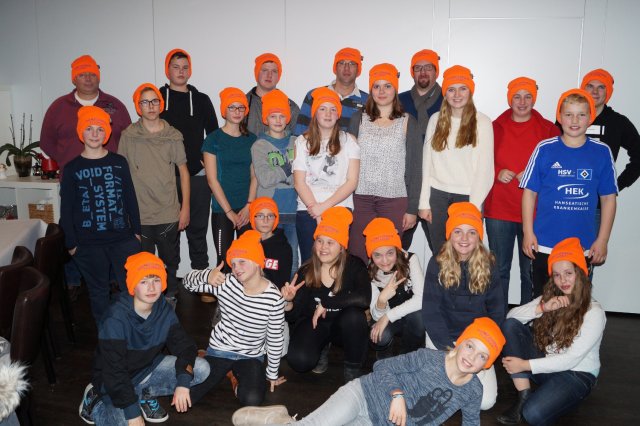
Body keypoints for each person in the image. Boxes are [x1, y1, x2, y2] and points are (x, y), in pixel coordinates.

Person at [231, 317, 506, 426]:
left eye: (482, 356)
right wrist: (397, 395)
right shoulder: (428, 358)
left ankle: (282, 420)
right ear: (459, 343)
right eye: (471, 346)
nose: (472, 357)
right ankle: (278, 420)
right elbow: (382, 366)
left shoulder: (473, 391)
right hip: (362, 395)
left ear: (487, 363)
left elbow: (471, 423)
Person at [78, 252, 210, 425]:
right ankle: (94, 401)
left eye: (156, 280)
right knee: (125, 422)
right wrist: (132, 412)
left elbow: (185, 346)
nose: (151, 288)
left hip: (146, 369)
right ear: (133, 286)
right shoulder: (115, 319)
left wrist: (183, 382)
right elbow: (115, 372)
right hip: (113, 381)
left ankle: (143, 394)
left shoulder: (163, 309)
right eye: (143, 281)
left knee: (201, 368)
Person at [40, 54, 131, 299]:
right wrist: (67, 161)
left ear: (99, 76)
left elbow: (128, 138)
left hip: (110, 182)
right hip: (75, 181)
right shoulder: (58, 107)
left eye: (92, 73)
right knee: (73, 226)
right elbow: (47, 142)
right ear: (74, 78)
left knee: (109, 225)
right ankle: (72, 280)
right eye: (82, 74)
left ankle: (112, 278)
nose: (88, 78)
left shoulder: (114, 105)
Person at [497, 237, 606, 426]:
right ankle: (524, 395)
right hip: (549, 363)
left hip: (577, 374)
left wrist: (524, 365)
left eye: (568, 273)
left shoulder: (594, 313)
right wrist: (542, 308)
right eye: (557, 275)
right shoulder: (552, 297)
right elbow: (511, 318)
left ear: (580, 273)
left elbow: (570, 359)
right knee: (511, 326)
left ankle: (561, 396)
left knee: (533, 414)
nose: (563, 280)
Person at [521, 89, 618, 297]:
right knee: (543, 301)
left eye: (581, 114)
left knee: (576, 304)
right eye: (569, 114)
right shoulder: (544, 149)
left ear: (590, 117)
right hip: (545, 244)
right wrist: (528, 232)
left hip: (582, 246)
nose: (575, 120)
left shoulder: (601, 152)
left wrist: (602, 240)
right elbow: (529, 193)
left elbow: (609, 198)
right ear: (559, 117)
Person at [181, 230, 286, 407]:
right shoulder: (226, 283)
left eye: (242, 261)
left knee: (252, 399)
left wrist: (272, 374)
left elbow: (275, 338)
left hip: (250, 356)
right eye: (233, 263)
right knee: (187, 396)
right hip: (220, 350)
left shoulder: (274, 297)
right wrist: (207, 275)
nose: (236, 268)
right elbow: (187, 283)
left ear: (257, 262)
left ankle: (232, 378)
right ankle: (206, 358)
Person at [60, 106, 141, 324]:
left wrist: (137, 232)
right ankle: (107, 334)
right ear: (81, 132)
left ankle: (131, 329)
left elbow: (130, 198)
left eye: (100, 129)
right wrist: (71, 244)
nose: (95, 134)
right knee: (98, 292)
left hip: (122, 239)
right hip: (88, 244)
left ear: (106, 133)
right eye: (89, 129)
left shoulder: (119, 162)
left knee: (130, 287)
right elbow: (66, 209)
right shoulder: (72, 168)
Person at [484, 77, 560, 307]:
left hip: (535, 212)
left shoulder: (548, 129)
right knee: (499, 269)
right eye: (517, 96)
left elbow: (557, 166)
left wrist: (534, 173)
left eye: (528, 96)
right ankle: (498, 317)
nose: (522, 101)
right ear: (510, 99)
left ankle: (529, 317)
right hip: (499, 209)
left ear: (534, 99)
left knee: (530, 272)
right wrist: (497, 172)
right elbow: (479, 161)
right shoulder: (494, 127)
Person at [422, 202, 505, 410]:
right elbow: (431, 312)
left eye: (471, 232)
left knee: (486, 402)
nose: (464, 238)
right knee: (432, 392)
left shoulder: (490, 264)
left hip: (477, 341)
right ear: (450, 235)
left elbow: (497, 312)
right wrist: (449, 349)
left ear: (479, 236)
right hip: (444, 338)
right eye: (458, 231)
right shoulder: (437, 262)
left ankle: (457, 387)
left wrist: (478, 348)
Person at [118, 83, 190, 306]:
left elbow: (184, 172)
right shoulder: (128, 136)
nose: (150, 106)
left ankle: (170, 296)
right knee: (142, 263)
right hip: (139, 214)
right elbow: (121, 175)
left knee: (170, 260)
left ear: (161, 104)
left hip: (168, 211)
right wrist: (124, 212)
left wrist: (185, 208)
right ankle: (143, 304)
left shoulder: (173, 135)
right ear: (138, 107)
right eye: (145, 102)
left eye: (155, 101)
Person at [283, 207, 370, 382]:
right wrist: (288, 302)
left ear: (342, 247)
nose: (323, 247)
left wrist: (327, 303)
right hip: (315, 324)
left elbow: (364, 298)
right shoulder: (306, 271)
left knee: (355, 316)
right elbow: (293, 316)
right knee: (299, 361)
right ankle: (321, 346)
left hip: (343, 326)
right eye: (320, 241)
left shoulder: (354, 265)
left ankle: (352, 366)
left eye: (330, 242)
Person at [347, 63, 422, 263]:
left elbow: (416, 168)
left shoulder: (408, 121)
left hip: (394, 200)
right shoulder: (358, 119)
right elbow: (347, 161)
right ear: (370, 90)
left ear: (395, 89)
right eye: (376, 86)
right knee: (358, 255)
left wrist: (412, 209)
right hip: (361, 199)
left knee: (389, 259)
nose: (382, 91)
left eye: (387, 86)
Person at [418, 65, 494, 255]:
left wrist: (474, 207)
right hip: (437, 196)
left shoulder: (483, 122)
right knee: (440, 254)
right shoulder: (435, 119)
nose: (457, 95)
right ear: (445, 93)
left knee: (465, 255)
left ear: (470, 91)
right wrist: (424, 202)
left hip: (467, 197)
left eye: (463, 88)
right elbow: (426, 163)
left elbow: (485, 171)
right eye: (451, 89)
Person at [160, 48, 219, 271]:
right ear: (167, 70)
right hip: (166, 177)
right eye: (176, 67)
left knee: (198, 232)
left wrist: (207, 160)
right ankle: (170, 282)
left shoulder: (201, 100)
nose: (181, 71)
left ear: (190, 71)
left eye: (185, 67)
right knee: (169, 233)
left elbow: (213, 135)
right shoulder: (157, 99)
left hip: (197, 176)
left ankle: (201, 278)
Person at [292, 87, 360, 263]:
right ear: (315, 113)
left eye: (333, 109)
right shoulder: (301, 141)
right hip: (308, 209)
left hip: (339, 209)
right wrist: (315, 209)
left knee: (336, 263)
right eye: (322, 109)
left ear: (338, 115)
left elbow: (352, 181)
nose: (328, 114)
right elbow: (299, 182)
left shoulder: (349, 141)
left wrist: (323, 208)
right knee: (309, 262)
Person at [202, 88, 257, 272]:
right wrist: (229, 212)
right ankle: (223, 292)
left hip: (246, 210)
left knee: (248, 260)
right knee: (223, 262)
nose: (237, 111)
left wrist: (249, 206)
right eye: (232, 107)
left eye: (241, 107)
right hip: (222, 211)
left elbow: (255, 175)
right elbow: (212, 180)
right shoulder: (213, 139)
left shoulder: (251, 139)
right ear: (224, 111)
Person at [398, 49, 444, 251]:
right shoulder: (399, 101)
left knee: (441, 248)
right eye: (418, 68)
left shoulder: (449, 100)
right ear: (412, 72)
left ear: (436, 71)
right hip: (405, 182)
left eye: (428, 67)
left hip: (436, 184)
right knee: (397, 247)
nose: (423, 72)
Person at [251, 89, 298, 275]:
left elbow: (302, 175)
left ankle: (289, 292)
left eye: (282, 116)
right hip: (269, 214)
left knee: (292, 259)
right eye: (273, 116)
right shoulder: (259, 146)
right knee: (268, 260)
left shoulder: (297, 142)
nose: (278, 120)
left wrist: (283, 172)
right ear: (266, 119)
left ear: (287, 118)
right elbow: (264, 179)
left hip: (294, 210)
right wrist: (287, 169)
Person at [364, 218, 424, 358]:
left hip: (409, 316)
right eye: (377, 255)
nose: (385, 261)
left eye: (390, 253)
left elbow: (421, 299)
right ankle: (384, 359)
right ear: (371, 255)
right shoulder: (369, 272)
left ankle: (406, 357)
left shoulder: (410, 260)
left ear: (396, 249)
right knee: (380, 337)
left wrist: (388, 316)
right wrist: (382, 300)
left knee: (419, 319)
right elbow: (376, 316)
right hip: (386, 320)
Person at [581, 68, 640, 192]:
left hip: (600, 200)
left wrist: (617, 185)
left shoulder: (618, 122)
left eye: (601, 87)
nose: (595, 91)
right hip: (564, 197)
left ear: (608, 92)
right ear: (583, 89)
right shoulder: (568, 117)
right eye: (590, 86)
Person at [293, 47, 368, 135]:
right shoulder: (314, 95)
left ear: (358, 69)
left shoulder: (368, 101)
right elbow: (299, 134)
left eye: (352, 63)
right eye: (342, 63)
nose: (346, 68)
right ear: (335, 67)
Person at [245, 53, 300, 136]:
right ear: (257, 73)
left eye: (274, 71)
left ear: (278, 76)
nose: (269, 75)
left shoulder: (291, 107)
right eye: (265, 70)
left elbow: (300, 140)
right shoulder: (243, 106)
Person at [249, 197, 293, 289]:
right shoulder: (245, 244)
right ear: (253, 218)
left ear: (275, 219)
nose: (265, 220)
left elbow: (284, 282)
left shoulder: (284, 248)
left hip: (273, 295)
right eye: (260, 216)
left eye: (270, 216)